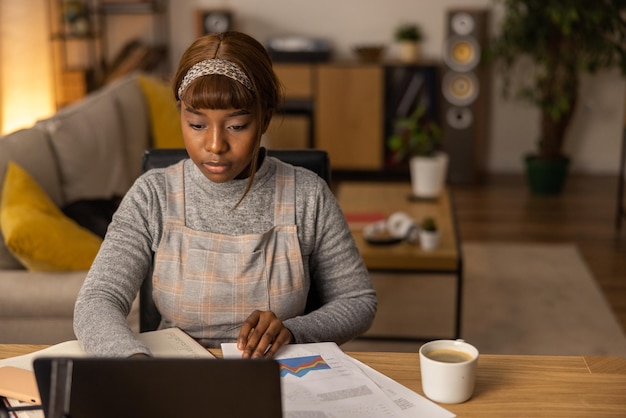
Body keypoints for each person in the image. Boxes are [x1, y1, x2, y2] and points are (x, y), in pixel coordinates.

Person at [73, 31, 377, 359]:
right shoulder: (153, 196)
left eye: (236, 126)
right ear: (181, 116)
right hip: (172, 378)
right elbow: (97, 300)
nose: (215, 145)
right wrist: (133, 363)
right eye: (197, 125)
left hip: (276, 378)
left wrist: (293, 332)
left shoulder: (308, 195)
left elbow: (357, 301)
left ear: (264, 119)